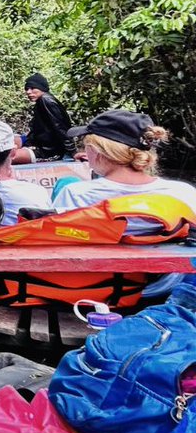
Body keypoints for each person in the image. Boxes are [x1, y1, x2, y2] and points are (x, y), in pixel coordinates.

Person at [54, 110, 196, 298]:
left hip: (96, 288)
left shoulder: (76, 194)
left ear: (97, 151)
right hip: (164, 289)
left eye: (85, 144)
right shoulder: (183, 192)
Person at [16, 73, 75, 162]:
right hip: (37, 143)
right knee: (7, 142)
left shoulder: (46, 100)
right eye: (27, 89)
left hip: (48, 151)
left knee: (8, 156)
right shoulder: (41, 101)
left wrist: (72, 151)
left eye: (32, 88)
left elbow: (60, 127)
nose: (28, 92)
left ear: (41, 88)